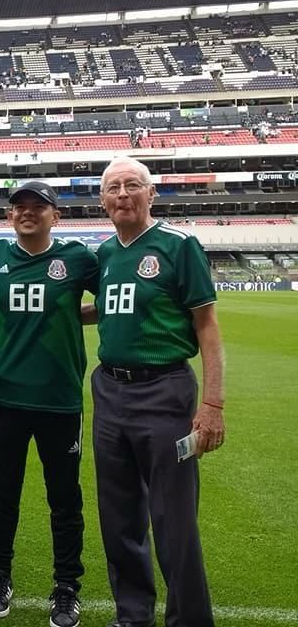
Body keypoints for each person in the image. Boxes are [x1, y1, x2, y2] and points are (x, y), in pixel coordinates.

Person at [91, 156, 226, 627]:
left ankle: (189, 620)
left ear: (152, 194)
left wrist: (212, 404)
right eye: (113, 188)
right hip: (109, 392)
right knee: (119, 516)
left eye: (132, 185)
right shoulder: (105, 253)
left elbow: (206, 325)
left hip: (164, 392)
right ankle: (133, 616)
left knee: (174, 521)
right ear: (102, 200)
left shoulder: (178, 245)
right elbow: (109, 308)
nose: (122, 194)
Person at [0, 181, 98, 627]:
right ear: (9, 216)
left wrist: (70, 315)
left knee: (64, 498)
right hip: (3, 397)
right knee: (2, 495)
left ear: (55, 216)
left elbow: (115, 297)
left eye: (38, 207)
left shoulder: (78, 258)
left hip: (59, 400)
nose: (27, 212)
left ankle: (66, 586)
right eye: (19, 207)